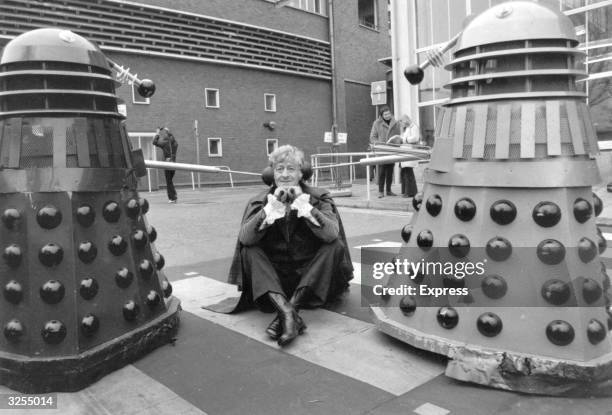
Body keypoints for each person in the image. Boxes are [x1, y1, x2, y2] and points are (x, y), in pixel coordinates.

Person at [219, 145, 353, 347]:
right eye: (279, 169)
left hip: (311, 280)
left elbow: (331, 234)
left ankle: (290, 309)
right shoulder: (260, 201)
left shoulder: (319, 197)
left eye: (291, 169)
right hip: (274, 282)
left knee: (335, 245)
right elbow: (245, 239)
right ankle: (288, 312)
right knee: (250, 249)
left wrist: (304, 206)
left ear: (301, 173)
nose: (285, 174)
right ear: (272, 174)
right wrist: (270, 209)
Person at [369, 106, 401, 198]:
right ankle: (380, 191)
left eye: (388, 114)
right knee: (382, 171)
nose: (387, 116)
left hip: (392, 150)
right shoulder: (377, 123)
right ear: (381, 115)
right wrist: (380, 144)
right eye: (385, 114)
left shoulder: (396, 123)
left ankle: (389, 190)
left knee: (390, 171)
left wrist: (397, 143)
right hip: (382, 151)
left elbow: (398, 136)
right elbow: (372, 137)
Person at [153, 126, 178, 203]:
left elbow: (154, 142)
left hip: (167, 164)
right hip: (174, 164)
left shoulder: (165, 143)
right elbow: (172, 138)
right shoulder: (175, 143)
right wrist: (169, 132)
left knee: (168, 181)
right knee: (170, 181)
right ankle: (174, 195)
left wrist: (157, 133)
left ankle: (172, 198)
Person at [398, 115, 420, 198]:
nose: (401, 125)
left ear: (405, 121)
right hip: (405, 152)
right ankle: (406, 191)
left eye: (401, 122)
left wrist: (404, 139)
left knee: (408, 173)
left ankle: (410, 192)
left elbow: (415, 138)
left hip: (409, 152)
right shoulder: (408, 128)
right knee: (405, 172)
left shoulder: (413, 127)